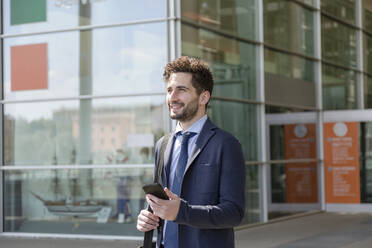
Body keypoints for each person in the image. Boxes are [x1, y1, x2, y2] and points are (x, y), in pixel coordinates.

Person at [136, 56, 246, 248]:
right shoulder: (163, 145)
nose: (173, 97)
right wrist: (148, 217)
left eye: (182, 90)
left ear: (204, 97)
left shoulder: (226, 144)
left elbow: (233, 213)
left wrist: (182, 212)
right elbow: (162, 201)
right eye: (169, 90)